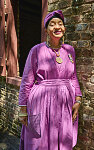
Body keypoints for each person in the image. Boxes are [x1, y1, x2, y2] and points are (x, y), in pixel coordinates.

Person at [19, 10, 82, 150]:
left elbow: (73, 76)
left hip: (65, 102)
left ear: (64, 28)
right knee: (38, 141)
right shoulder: (37, 50)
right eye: (52, 24)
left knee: (62, 139)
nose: (57, 27)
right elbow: (26, 80)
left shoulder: (70, 50)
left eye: (60, 24)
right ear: (46, 30)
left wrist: (78, 99)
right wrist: (22, 108)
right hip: (41, 102)